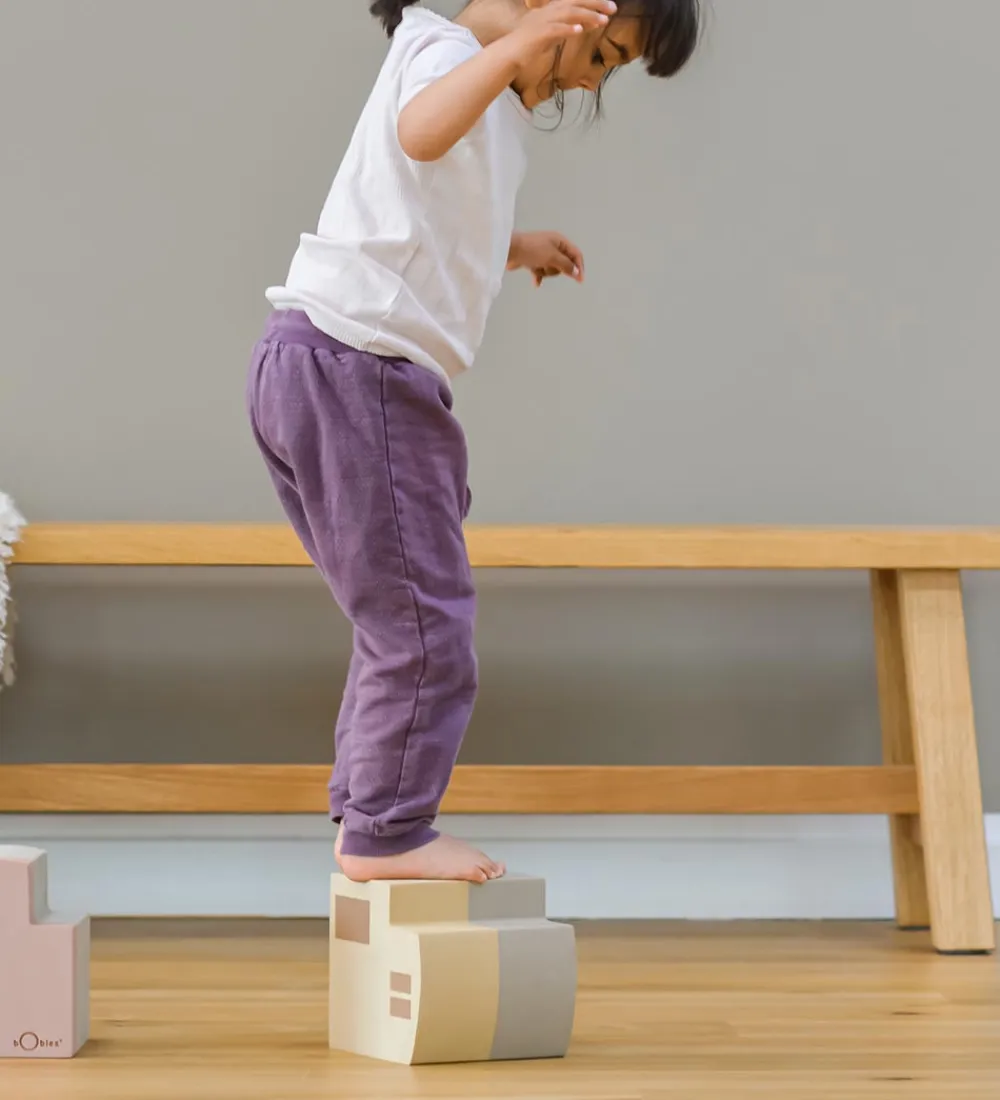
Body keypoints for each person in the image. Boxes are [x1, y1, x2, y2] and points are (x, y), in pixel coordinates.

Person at [246, 0, 701, 884]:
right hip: (366, 374)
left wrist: (510, 245)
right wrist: (515, 48)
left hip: (318, 361)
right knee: (429, 625)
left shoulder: (470, 82)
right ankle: (387, 831)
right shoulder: (444, 50)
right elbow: (420, 132)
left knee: (397, 618)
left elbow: (418, 210)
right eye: (603, 54)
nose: (588, 81)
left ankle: (366, 809)